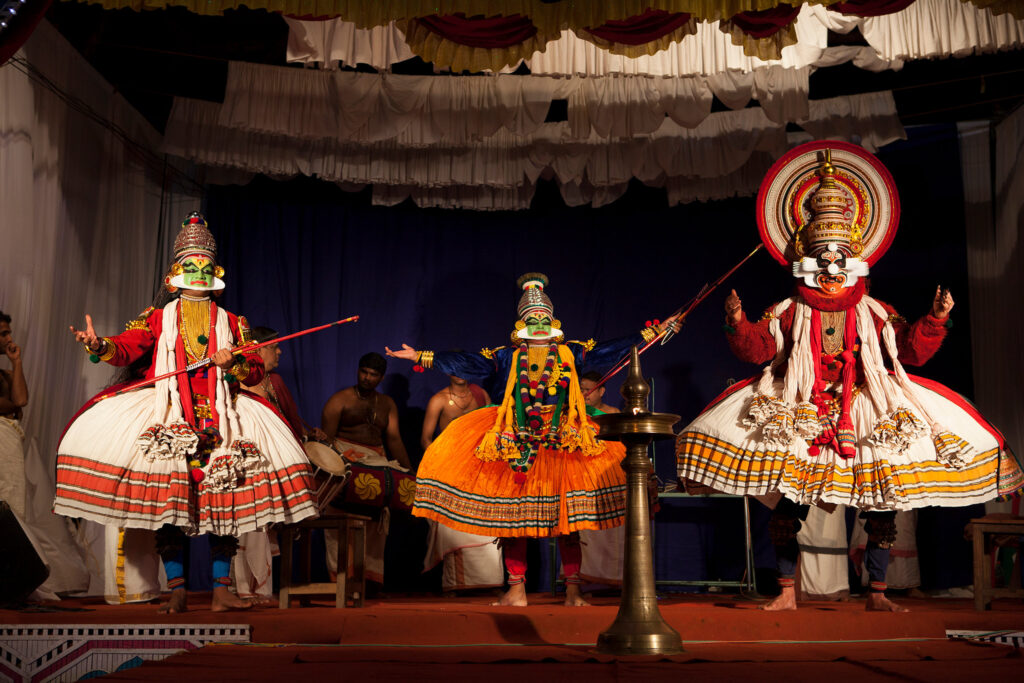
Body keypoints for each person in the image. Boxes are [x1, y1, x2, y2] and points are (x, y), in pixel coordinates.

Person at [676, 143, 1022, 612]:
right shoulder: (789, 309)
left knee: (882, 500)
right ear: (805, 257)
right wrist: (737, 321)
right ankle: (785, 592)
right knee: (791, 500)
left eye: (841, 256)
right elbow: (759, 349)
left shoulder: (873, 309)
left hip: (865, 405)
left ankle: (878, 593)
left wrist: (935, 319)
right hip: (800, 407)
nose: (832, 267)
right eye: (823, 257)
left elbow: (906, 350)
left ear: (856, 258)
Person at [55, 212, 318, 613]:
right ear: (175, 273)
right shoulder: (158, 318)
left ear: (217, 272)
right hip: (169, 417)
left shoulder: (234, 323)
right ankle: (176, 587)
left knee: (225, 501)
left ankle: (220, 590)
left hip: (223, 418)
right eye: (190, 266)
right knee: (171, 503)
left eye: (205, 267)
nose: (198, 273)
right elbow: (124, 348)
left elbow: (257, 368)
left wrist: (234, 365)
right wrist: (98, 345)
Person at [387, 273, 677, 606]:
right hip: (515, 441)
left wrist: (656, 330)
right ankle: (517, 590)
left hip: (563, 443)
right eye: (532, 319)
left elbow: (613, 350)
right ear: (521, 325)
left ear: (553, 321)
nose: (539, 323)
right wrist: (421, 356)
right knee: (515, 521)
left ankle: (572, 591)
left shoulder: (572, 354)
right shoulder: (506, 357)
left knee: (568, 521)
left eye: (543, 318)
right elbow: (467, 362)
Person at [320, 352, 412, 585]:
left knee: (376, 522)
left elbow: (394, 440)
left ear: (381, 377)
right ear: (358, 370)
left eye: (373, 375)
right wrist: (342, 460)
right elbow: (326, 441)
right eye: (364, 372)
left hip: (377, 464)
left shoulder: (387, 404)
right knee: (340, 520)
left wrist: (410, 473)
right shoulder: (340, 400)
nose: (367, 378)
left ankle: (367, 578)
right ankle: (341, 578)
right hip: (344, 462)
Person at [420, 375, 502, 595]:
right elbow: (426, 439)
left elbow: (494, 426)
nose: (460, 372)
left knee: (488, 521)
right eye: (455, 368)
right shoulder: (438, 400)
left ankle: (493, 583)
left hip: (480, 467)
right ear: (448, 372)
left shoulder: (481, 395)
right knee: (454, 525)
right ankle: (454, 584)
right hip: (451, 467)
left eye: (464, 367)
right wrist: (442, 461)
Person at [0, 310, 29, 518]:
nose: (9, 338)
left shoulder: (6, 375)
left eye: (9, 333)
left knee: (13, 498)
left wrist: (16, 362)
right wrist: (12, 407)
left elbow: (21, 401)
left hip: (9, 439)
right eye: (3, 334)